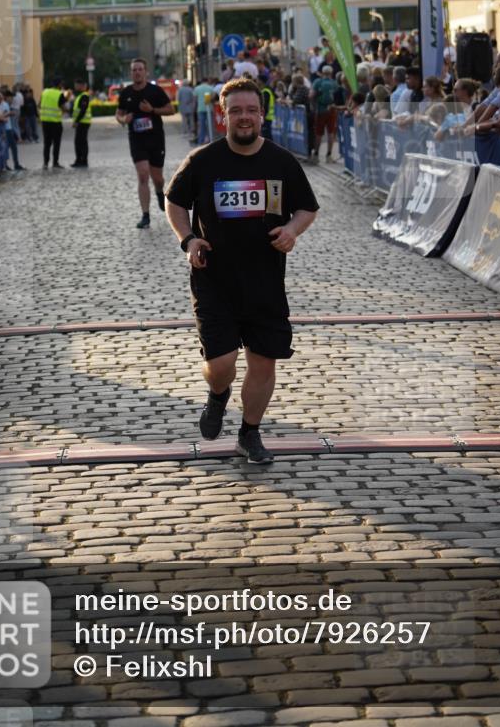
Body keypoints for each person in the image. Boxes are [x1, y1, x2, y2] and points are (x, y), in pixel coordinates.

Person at [165, 78, 319, 465]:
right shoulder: (203, 161)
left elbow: (307, 208)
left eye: (251, 110)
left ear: (262, 115)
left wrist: (291, 230)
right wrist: (188, 240)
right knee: (221, 367)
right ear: (223, 115)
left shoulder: (281, 162)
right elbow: (174, 202)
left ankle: (249, 433)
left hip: (265, 281)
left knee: (263, 362)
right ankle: (218, 396)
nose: (244, 117)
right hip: (214, 280)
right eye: (236, 111)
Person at [116, 57, 174, 228]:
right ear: (131, 72)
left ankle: (159, 192)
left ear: (146, 72)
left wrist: (153, 110)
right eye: (134, 70)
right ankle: (145, 215)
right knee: (142, 175)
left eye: (140, 69)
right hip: (137, 140)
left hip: (155, 139)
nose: (137, 72)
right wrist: (123, 119)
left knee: (158, 178)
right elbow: (118, 114)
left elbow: (171, 109)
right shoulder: (126, 93)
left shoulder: (155, 91)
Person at [310, 64, 338, 161]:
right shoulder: (334, 83)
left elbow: (311, 95)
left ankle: (316, 153)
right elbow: (337, 97)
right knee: (331, 132)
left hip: (320, 110)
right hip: (332, 110)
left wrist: (313, 105)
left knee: (318, 133)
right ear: (331, 73)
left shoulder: (318, 82)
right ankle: (329, 154)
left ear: (322, 73)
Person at [39, 76, 66, 169]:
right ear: (59, 85)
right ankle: (55, 163)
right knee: (56, 143)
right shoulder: (59, 94)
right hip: (56, 122)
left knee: (47, 143)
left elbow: (39, 105)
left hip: (45, 122)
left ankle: (45, 163)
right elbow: (64, 108)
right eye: (61, 84)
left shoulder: (45, 92)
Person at [71, 77, 92, 168]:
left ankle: (83, 161)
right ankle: (79, 160)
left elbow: (83, 110)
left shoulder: (84, 96)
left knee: (81, 142)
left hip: (83, 122)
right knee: (79, 142)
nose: (75, 86)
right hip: (82, 122)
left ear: (82, 86)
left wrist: (76, 121)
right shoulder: (80, 96)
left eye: (77, 85)